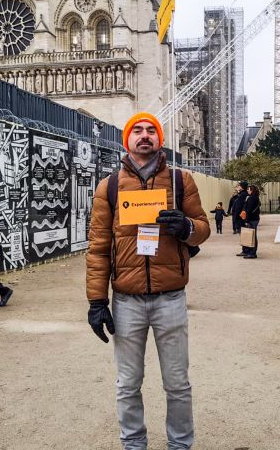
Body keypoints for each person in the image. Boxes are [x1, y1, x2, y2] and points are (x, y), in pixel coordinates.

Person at [86, 112, 211, 450]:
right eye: (137, 131)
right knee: (127, 384)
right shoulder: (109, 187)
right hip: (126, 301)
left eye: (151, 131)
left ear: (161, 139)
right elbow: (98, 248)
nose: (145, 136)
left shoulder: (180, 181)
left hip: (170, 298)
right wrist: (97, 302)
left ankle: (180, 446)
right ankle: (134, 446)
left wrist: (186, 227)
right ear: (127, 140)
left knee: (178, 384)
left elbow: (203, 228)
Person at [240, 185, 261, 259]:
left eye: (249, 190)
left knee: (252, 236)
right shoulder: (255, 197)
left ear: (252, 190)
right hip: (254, 219)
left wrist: (246, 220)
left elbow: (249, 210)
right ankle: (249, 251)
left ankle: (252, 253)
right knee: (251, 235)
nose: (247, 191)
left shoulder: (252, 198)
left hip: (252, 219)